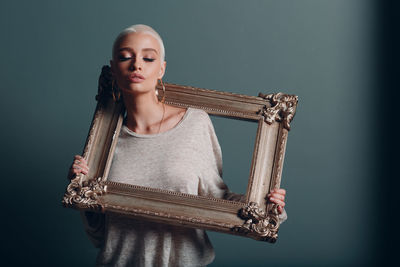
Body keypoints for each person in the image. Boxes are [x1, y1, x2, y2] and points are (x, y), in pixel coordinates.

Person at [68, 24, 287, 267]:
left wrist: (265, 206)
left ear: (161, 69)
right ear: (113, 69)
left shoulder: (194, 123)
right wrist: (82, 193)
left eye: (148, 58)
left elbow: (217, 198)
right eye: (125, 57)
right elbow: (99, 236)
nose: (136, 65)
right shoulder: (103, 140)